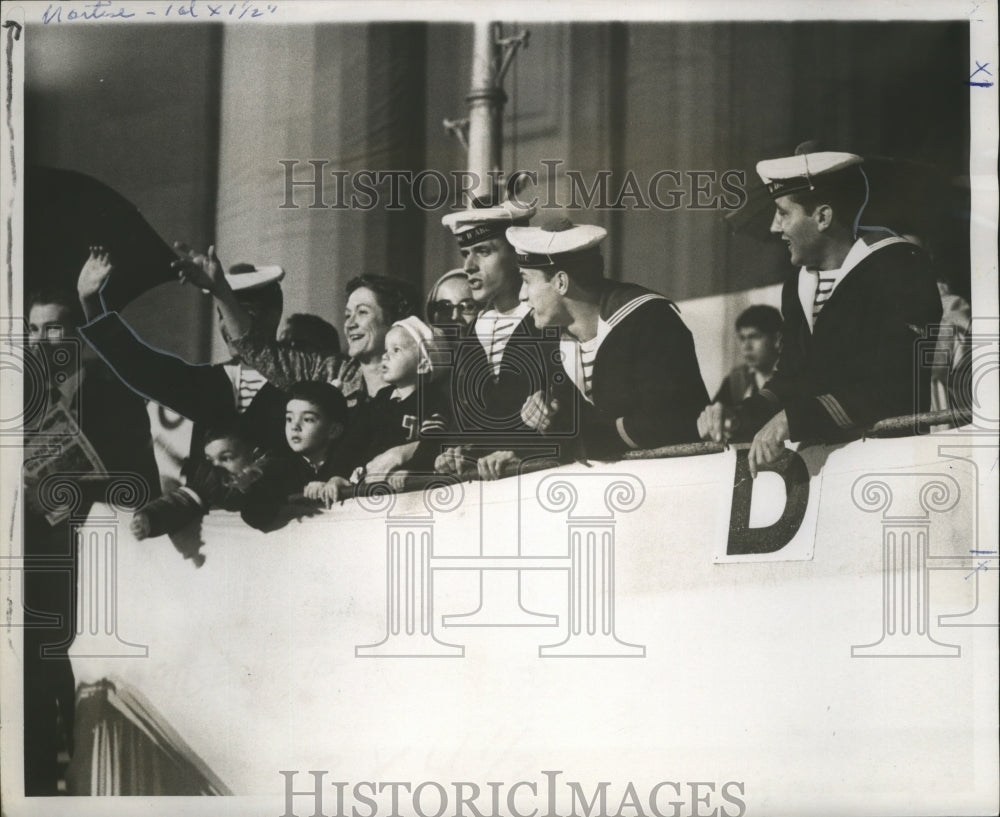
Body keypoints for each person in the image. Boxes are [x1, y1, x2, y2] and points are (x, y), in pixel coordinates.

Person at [697, 150, 944, 476]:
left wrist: (794, 419)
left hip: (889, 470)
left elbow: (894, 387)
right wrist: (740, 414)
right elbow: (791, 379)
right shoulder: (796, 286)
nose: (774, 227)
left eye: (783, 214)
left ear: (823, 217)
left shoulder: (899, 267)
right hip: (827, 471)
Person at [23, 285, 160, 795]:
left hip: (91, 570)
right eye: (32, 330)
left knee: (87, 698)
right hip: (31, 573)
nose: (40, 340)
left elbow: (143, 484)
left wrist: (66, 485)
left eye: (53, 328)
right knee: (30, 699)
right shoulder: (17, 402)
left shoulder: (114, 396)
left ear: (77, 336)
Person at [510, 216, 709, 460]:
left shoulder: (648, 321)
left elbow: (669, 421)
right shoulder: (546, 334)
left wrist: (578, 438)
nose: (521, 295)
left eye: (526, 281)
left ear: (561, 282)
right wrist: (543, 418)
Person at [178, 247, 420, 410]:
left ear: (394, 322)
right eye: (347, 314)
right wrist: (220, 290)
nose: (350, 323)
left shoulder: (423, 383)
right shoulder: (330, 372)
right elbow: (256, 349)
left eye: (363, 312)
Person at [435, 200, 563, 480]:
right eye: (465, 253)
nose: (469, 266)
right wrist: (457, 451)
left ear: (516, 253)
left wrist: (523, 452)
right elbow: (466, 426)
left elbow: (571, 416)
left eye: (483, 251)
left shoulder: (554, 324)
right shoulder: (469, 336)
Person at [240, 381, 354, 530]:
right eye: (289, 419)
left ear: (333, 430)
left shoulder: (348, 461)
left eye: (307, 419)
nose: (295, 426)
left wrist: (334, 481)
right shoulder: (278, 467)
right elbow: (254, 516)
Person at [129, 420, 268, 540]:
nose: (216, 466)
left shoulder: (274, 465)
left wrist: (248, 486)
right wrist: (149, 518)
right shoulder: (209, 479)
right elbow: (179, 502)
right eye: (210, 460)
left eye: (226, 458)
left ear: (253, 454)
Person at [713, 305, 783, 406]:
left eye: (754, 337)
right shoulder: (736, 381)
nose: (746, 347)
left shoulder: (797, 378)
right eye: (742, 338)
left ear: (776, 339)